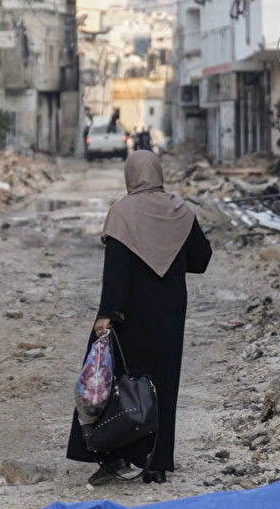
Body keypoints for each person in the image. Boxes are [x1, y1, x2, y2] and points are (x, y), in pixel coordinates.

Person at [66, 150, 212, 486]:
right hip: (169, 311)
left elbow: (117, 271)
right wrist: (169, 259)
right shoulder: (181, 210)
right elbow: (202, 258)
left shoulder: (122, 213)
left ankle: (114, 455)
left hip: (129, 313)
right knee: (162, 385)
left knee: (118, 383)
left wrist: (107, 314)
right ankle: (156, 464)